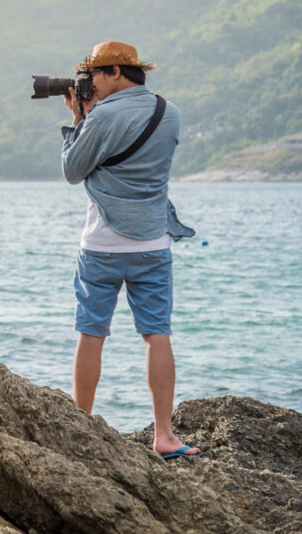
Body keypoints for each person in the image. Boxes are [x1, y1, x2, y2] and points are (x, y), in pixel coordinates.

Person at [60, 40, 200, 459]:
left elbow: (72, 171)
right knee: (157, 335)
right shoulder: (169, 113)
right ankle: (164, 435)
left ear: (116, 73)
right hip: (153, 243)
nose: (89, 85)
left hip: (101, 244)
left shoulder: (101, 115)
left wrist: (78, 120)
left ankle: (81, 427)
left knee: (91, 333)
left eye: (94, 76)